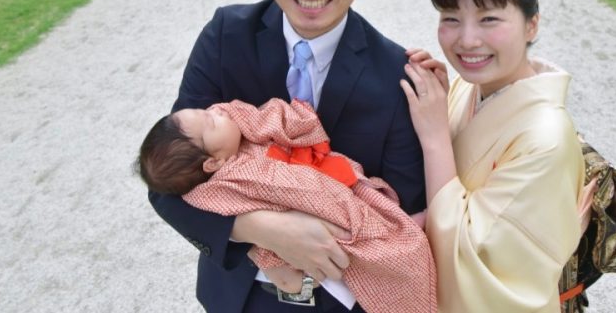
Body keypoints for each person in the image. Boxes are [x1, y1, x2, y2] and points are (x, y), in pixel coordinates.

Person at [147, 0, 425, 313]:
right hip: (238, 296)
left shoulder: (396, 72)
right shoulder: (225, 37)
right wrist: (261, 229)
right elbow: (168, 176)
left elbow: (404, 214)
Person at [400, 0, 591, 312]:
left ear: (531, 24)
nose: (467, 39)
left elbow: (476, 259)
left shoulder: (546, 138)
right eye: (451, 19)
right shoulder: (462, 92)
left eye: (489, 19)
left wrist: (436, 136)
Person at [138, 98, 435, 313]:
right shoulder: (225, 181)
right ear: (213, 162)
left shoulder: (237, 132)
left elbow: (285, 122)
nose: (216, 109)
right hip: (262, 281)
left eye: (207, 110)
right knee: (401, 255)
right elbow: (169, 190)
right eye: (211, 120)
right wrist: (256, 230)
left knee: (391, 232)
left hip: (340, 198)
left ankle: (400, 228)